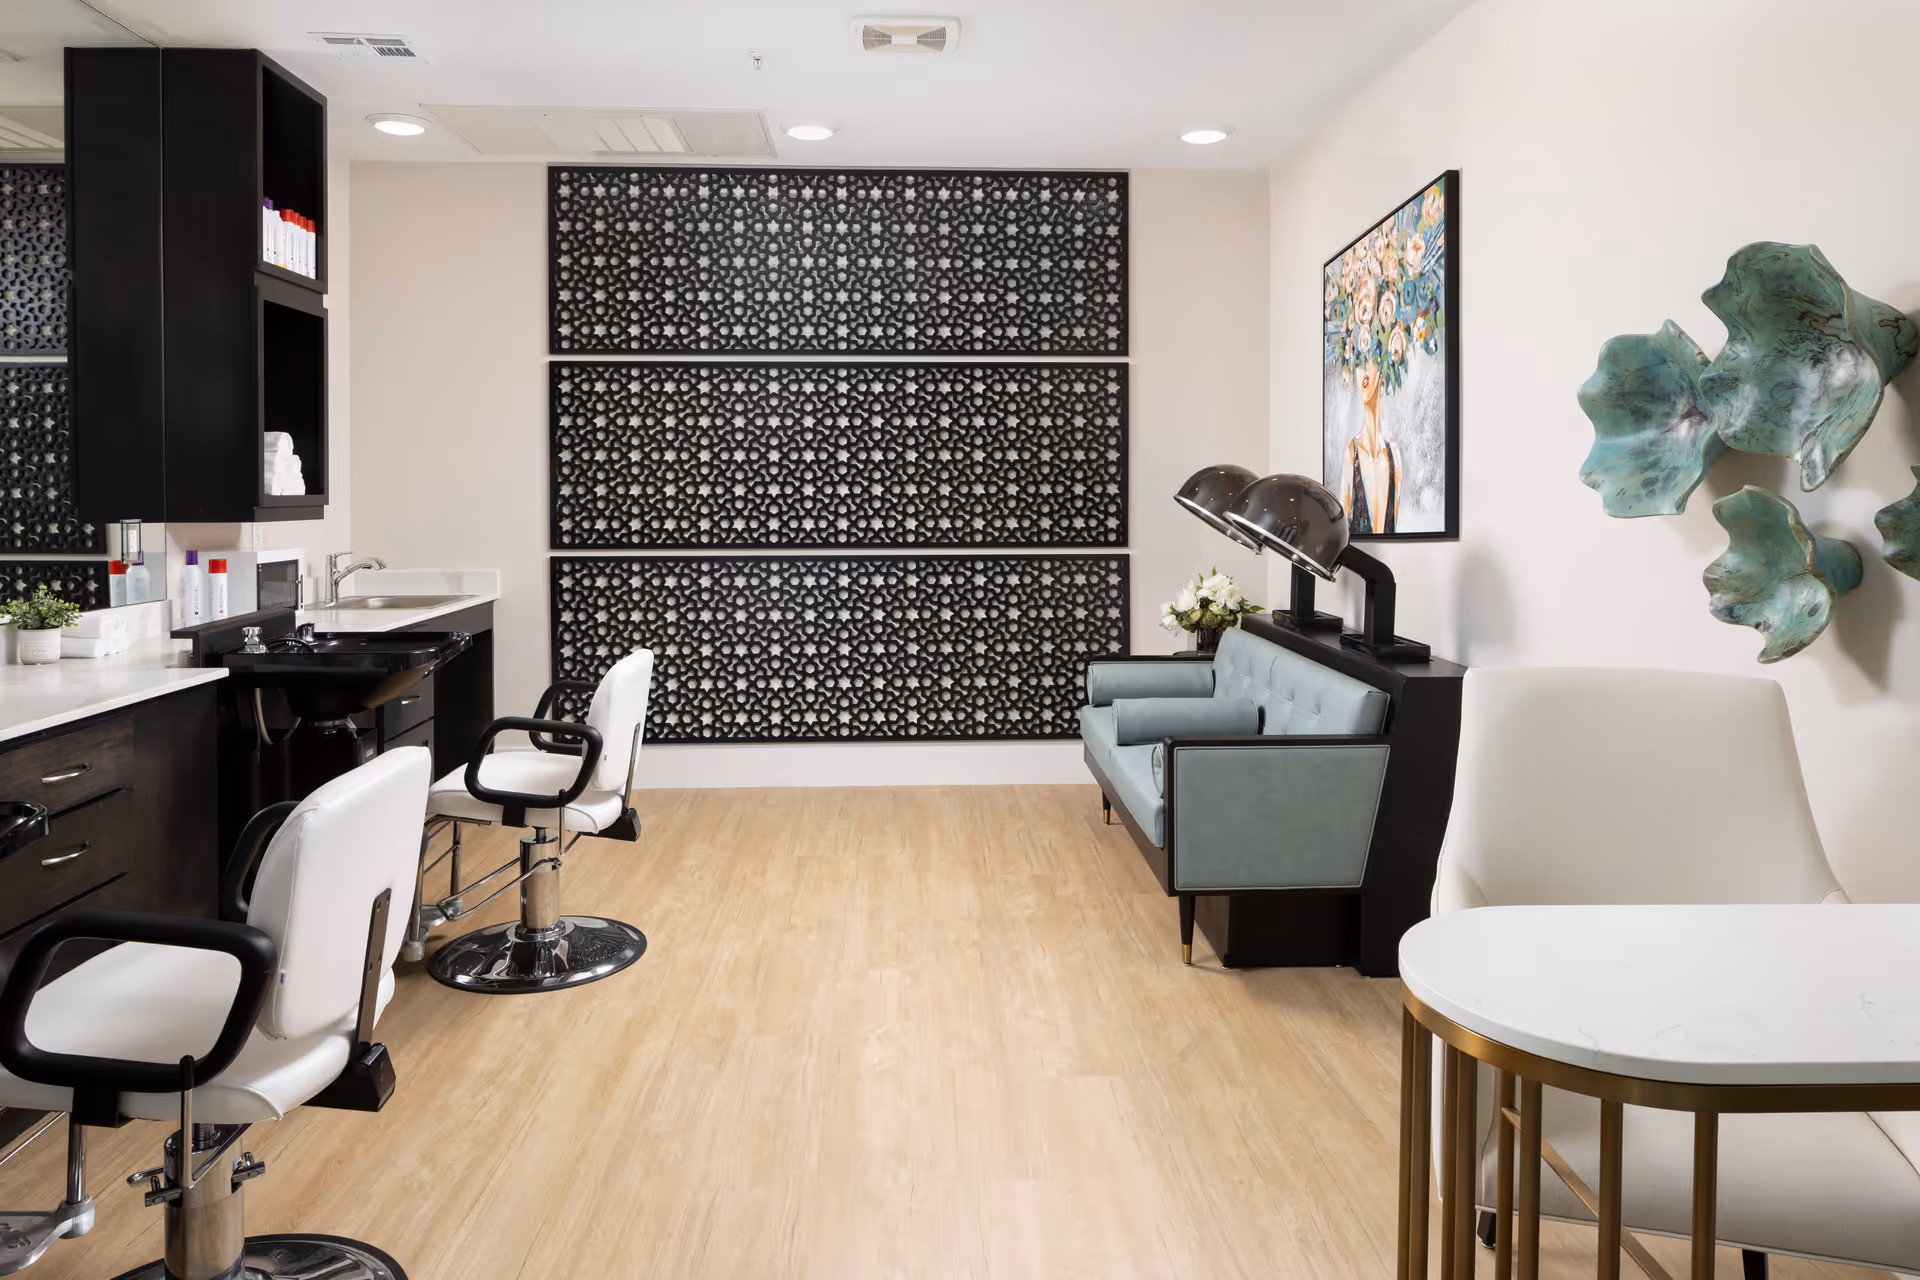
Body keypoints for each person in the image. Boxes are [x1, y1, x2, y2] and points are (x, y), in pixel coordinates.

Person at [1338, 356, 1401, 534]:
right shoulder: (1352, 453)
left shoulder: (1394, 456)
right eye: (1357, 364)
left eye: (1368, 358)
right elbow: (1341, 531)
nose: (1361, 372)